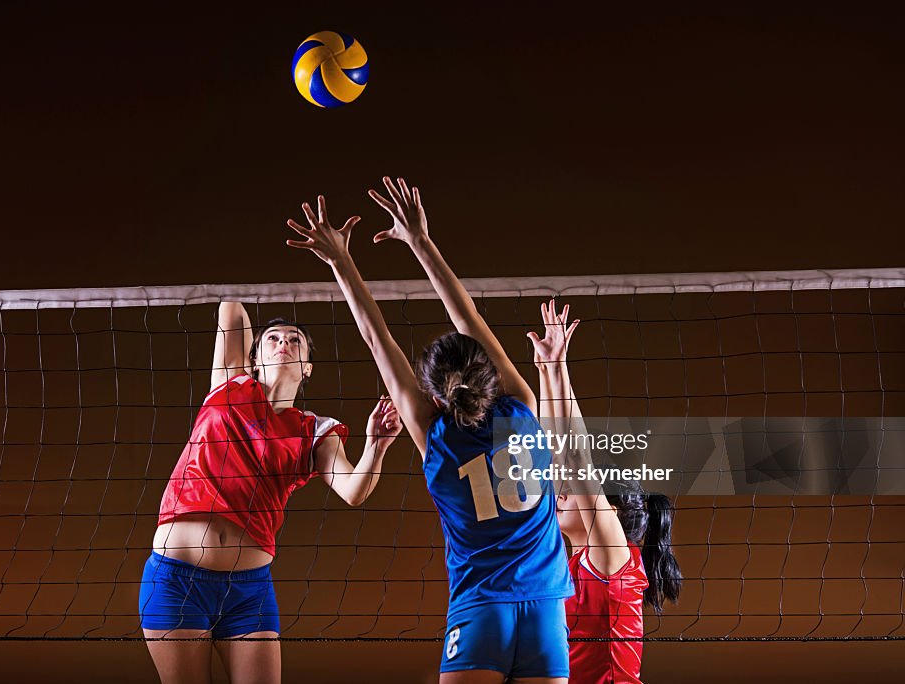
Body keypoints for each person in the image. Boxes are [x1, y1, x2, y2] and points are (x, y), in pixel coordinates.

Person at [285, 177, 573, 683]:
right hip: (546, 610)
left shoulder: (434, 438)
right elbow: (469, 318)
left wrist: (341, 262)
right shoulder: (523, 408)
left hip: (480, 610)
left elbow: (377, 340)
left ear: (435, 396)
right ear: (486, 371)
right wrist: (421, 240)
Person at [139, 302, 402, 684]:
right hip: (177, 581)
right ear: (254, 359)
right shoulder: (229, 385)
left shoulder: (314, 431)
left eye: (295, 340)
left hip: (249, 591)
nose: (284, 343)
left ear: (307, 366)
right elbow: (231, 309)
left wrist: (375, 446)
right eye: (273, 338)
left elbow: (352, 490)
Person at [531, 300, 682, 684]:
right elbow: (561, 452)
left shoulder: (614, 558)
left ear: (609, 514)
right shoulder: (574, 564)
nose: (559, 493)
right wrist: (547, 371)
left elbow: (577, 457)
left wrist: (559, 369)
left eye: (570, 490)